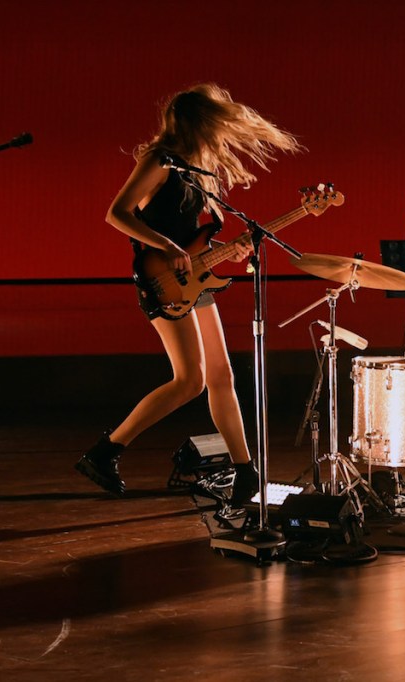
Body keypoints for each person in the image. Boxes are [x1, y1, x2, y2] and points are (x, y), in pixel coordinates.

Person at [75, 83, 302, 507]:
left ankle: (246, 473)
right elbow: (117, 213)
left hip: (191, 279)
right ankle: (104, 452)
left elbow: (190, 240)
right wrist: (168, 247)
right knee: (189, 381)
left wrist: (228, 252)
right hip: (159, 280)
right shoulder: (158, 161)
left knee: (220, 378)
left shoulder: (192, 172)